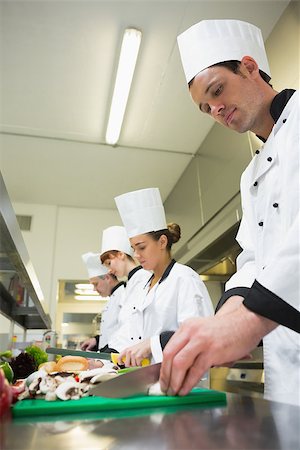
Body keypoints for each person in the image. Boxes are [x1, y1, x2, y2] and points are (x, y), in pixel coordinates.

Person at [159, 19, 300, 406]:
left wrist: (249, 321)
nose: (216, 110)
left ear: (250, 67)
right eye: (206, 108)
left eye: (217, 91)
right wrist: (222, 325)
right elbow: (254, 261)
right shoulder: (250, 176)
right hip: (288, 374)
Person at [114, 187, 214, 366]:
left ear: (162, 242)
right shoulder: (145, 285)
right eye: (133, 249)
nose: (136, 255)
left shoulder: (184, 278)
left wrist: (153, 344)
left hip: (182, 381)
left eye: (141, 247)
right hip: (148, 377)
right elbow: (131, 333)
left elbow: (200, 334)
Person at [99, 225, 150, 352]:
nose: (110, 270)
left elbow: (134, 325)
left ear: (121, 255)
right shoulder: (130, 283)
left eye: (109, 263)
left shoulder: (143, 278)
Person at [80, 251, 125, 352]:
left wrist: (104, 353)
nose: (94, 289)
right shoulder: (113, 297)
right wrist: (96, 340)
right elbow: (112, 332)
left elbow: (125, 333)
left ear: (107, 278)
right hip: (108, 358)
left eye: (96, 284)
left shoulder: (124, 295)